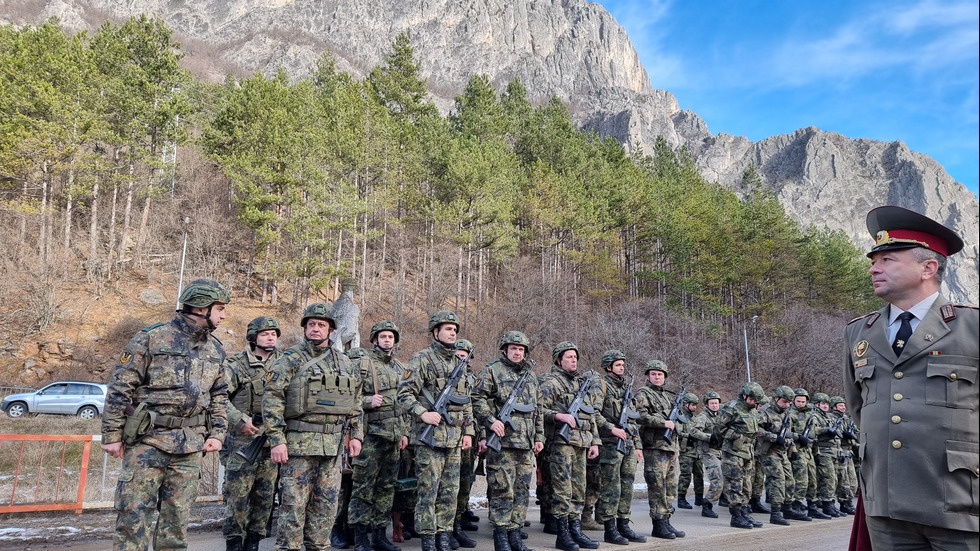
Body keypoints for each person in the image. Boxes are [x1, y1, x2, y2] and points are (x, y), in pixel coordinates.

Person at [842, 205, 978, 551]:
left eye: (888, 259)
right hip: (887, 508)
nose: (874, 268)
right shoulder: (858, 333)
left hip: (962, 507)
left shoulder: (972, 328)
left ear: (928, 267)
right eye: (874, 260)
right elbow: (859, 409)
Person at [101, 278, 231, 551]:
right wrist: (112, 435)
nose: (223, 314)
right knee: (133, 518)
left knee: (176, 522)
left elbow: (220, 395)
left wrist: (217, 433)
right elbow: (119, 388)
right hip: (148, 442)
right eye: (219, 308)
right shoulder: (151, 337)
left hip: (189, 447)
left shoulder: (215, 348)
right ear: (200, 307)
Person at [262, 302, 364, 551]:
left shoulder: (345, 363)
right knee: (293, 507)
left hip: (332, 448)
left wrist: (356, 435)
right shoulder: (290, 359)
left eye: (321, 325)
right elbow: (272, 399)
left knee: (326, 507)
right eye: (311, 324)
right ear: (305, 328)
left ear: (331, 331)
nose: (315, 329)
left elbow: (356, 401)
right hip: (297, 446)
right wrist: (277, 439)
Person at [397, 310, 475, 551]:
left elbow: (466, 400)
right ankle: (429, 541)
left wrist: (469, 431)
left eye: (455, 329)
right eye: (448, 328)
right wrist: (423, 413)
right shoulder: (422, 359)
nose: (452, 332)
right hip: (429, 442)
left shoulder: (459, 363)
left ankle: (444, 538)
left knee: (449, 495)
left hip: (453, 440)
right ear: (435, 332)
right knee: (428, 494)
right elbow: (403, 394)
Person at [472, 331, 544, 551]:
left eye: (521, 349)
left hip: (525, 445)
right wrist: (491, 421)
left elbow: (537, 408)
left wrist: (539, 436)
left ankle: (515, 535)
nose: (517, 353)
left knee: (522, 492)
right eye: (514, 348)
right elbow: (476, 397)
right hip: (502, 444)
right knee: (503, 491)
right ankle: (501, 537)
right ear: (504, 349)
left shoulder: (531, 376)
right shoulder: (492, 370)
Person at [221, 316, 282, 551]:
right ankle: (234, 544)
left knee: (265, 499)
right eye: (265, 333)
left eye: (274, 334)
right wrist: (239, 421)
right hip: (242, 443)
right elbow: (218, 398)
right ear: (253, 336)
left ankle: (254, 542)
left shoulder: (284, 364)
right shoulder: (236, 365)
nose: (270, 337)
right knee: (237, 497)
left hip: (271, 442)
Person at [348, 321, 408, 551]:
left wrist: (404, 433)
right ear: (374, 339)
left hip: (393, 438)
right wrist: (367, 401)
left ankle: (380, 535)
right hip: (370, 435)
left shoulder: (399, 368)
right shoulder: (363, 364)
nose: (387, 340)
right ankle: (361, 538)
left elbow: (405, 403)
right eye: (382, 336)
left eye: (391, 337)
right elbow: (348, 397)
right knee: (363, 488)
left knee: (386, 489)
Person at [538, 341, 601, 551]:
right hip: (561, 444)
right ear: (559, 360)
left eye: (575, 357)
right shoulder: (551, 382)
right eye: (569, 357)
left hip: (582, 444)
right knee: (562, 491)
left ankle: (576, 531)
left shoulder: (579, 383)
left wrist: (595, 441)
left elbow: (590, 415)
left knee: (578, 490)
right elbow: (539, 411)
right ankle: (563, 534)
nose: (574, 360)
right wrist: (559, 415)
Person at [594, 350, 645, 545]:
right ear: (608, 367)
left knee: (627, 486)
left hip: (629, 444)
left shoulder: (627, 389)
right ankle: (610, 528)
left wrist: (638, 445)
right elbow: (594, 414)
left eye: (623, 364)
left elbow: (633, 420)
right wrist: (611, 428)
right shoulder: (602, 386)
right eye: (618, 364)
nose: (622, 367)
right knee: (611, 487)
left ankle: (623, 524)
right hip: (610, 444)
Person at [633, 360, 685, 540]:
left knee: (671, 488)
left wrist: (676, 447)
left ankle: (667, 520)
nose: (657, 377)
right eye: (654, 374)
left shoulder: (665, 397)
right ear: (648, 375)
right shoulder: (643, 394)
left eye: (660, 374)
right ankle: (658, 524)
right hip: (654, 448)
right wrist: (663, 422)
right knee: (657, 487)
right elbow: (639, 416)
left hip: (669, 448)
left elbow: (675, 424)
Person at [717, 381, 765, 530]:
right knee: (734, 485)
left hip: (748, 453)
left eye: (756, 401)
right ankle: (736, 516)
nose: (754, 402)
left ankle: (744, 512)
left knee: (747, 485)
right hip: (734, 453)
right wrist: (736, 436)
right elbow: (719, 428)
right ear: (744, 395)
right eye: (751, 399)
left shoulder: (753, 410)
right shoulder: (732, 408)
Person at [754, 385, 799, 526]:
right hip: (768, 451)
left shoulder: (786, 413)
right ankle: (775, 512)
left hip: (782, 451)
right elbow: (756, 430)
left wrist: (794, 449)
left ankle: (788, 508)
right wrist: (773, 437)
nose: (786, 404)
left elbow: (788, 433)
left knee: (790, 480)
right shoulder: (764, 411)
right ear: (776, 398)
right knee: (777, 480)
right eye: (784, 401)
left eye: (789, 402)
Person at [452, 338, 481, 549]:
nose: (462, 358)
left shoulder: (473, 379)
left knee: (465, 480)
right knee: (450, 485)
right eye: (459, 354)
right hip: (450, 434)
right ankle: (450, 525)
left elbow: (477, 407)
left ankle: (459, 519)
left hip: (470, 435)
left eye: (465, 355)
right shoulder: (448, 375)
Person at [688, 391, 725, 519]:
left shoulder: (721, 416)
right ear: (706, 404)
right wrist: (710, 437)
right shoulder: (702, 417)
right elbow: (693, 431)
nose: (714, 405)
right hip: (707, 452)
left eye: (716, 403)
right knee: (717, 479)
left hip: (720, 451)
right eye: (712, 403)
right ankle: (707, 505)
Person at [811, 392, 842, 518]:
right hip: (823, 450)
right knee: (828, 478)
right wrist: (826, 430)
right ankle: (826, 504)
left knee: (833, 478)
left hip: (833, 450)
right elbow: (814, 431)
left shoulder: (827, 417)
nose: (825, 406)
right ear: (817, 404)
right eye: (823, 403)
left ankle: (831, 503)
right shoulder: (814, 416)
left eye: (827, 404)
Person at [675, 392, 703, 511]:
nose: (695, 407)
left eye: (696, 405)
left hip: (696, 450)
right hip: (685, 449)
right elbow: (677, 431)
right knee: (685, 475)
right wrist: (689, 436)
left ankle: (699, 497)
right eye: (693, 405)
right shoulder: (679, 415)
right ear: (686, 404)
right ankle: (681, 498)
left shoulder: (694, 417)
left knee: (699, 474)